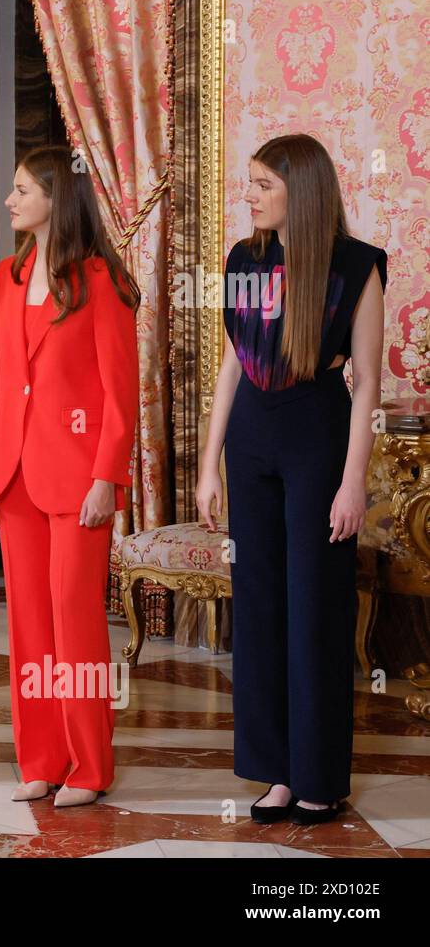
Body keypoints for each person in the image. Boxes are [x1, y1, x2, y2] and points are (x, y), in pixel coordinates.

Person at [196, 133, 386, 826]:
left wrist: (353, 481)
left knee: (315, 610)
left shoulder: (357, 265)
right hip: (250, 442)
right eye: (247, 183)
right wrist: (208, 462)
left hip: (318, 441)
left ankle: (320, 778)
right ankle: (276, 773)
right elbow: (230, 366)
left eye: (260, 185)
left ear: (299, 191)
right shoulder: (243, 260)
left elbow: (366, 382)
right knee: (261, 609)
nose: (247, 196)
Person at [0, 146, 140, 808]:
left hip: (78, 479)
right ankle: (41, 760)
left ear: (56, 199)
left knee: (76, 621)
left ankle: (89, 766)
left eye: (22, 190)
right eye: (11, 189)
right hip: (13, 475)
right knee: (30, 624)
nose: (11, 200)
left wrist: (107, 478)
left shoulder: (102, 281)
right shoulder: (8, 275)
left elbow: (122, 397)